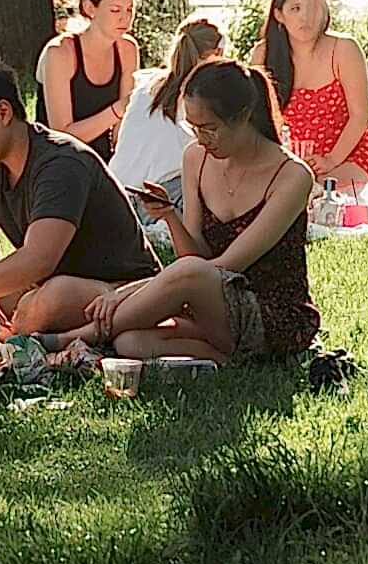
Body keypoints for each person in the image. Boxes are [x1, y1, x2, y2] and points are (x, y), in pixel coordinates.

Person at [83, 59, 320, 365]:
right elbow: (193, 256)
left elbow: (223, 268)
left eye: (210, 128)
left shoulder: (291, 176)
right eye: (193, 128)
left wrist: (128, 293)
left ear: (244, 116)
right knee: (132, 342)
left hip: (268, 311)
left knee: (189, 277)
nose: (201, 138)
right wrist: (170, 215)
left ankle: (73, 338)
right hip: (209, 304)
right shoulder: (196, 157)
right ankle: (229, 361)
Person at [0, 61, 158, 335]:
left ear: (3, 112)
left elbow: (39, 260)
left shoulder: (60, 162)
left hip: (118, 288)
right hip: (45, 282)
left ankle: (12, 337)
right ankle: (13, 334)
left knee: (50, 299)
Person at [250, 0, 368, 193]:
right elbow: (255, 120)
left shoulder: (344, 49)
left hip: (347, 155)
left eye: (313, 7)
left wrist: (331, 160)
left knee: (316, 192)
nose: (306, 17)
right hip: (286, 162)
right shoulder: (263, 54)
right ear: (279, 15)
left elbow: (360, 116)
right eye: (295, 8)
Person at [109, 16, 225, 211]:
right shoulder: (202, 95)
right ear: (218, 53)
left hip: (117, 192)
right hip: (160, 195)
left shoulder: (147, 86)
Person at [35, 0, 140, 163]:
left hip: (105, 160)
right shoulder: (60, 53)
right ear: (90, 8)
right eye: (115, 10)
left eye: (130, 10)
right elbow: (61, 135)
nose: (125, 18)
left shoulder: (128, 49)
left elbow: (121, 132)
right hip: (58, 161)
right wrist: (117, 110)